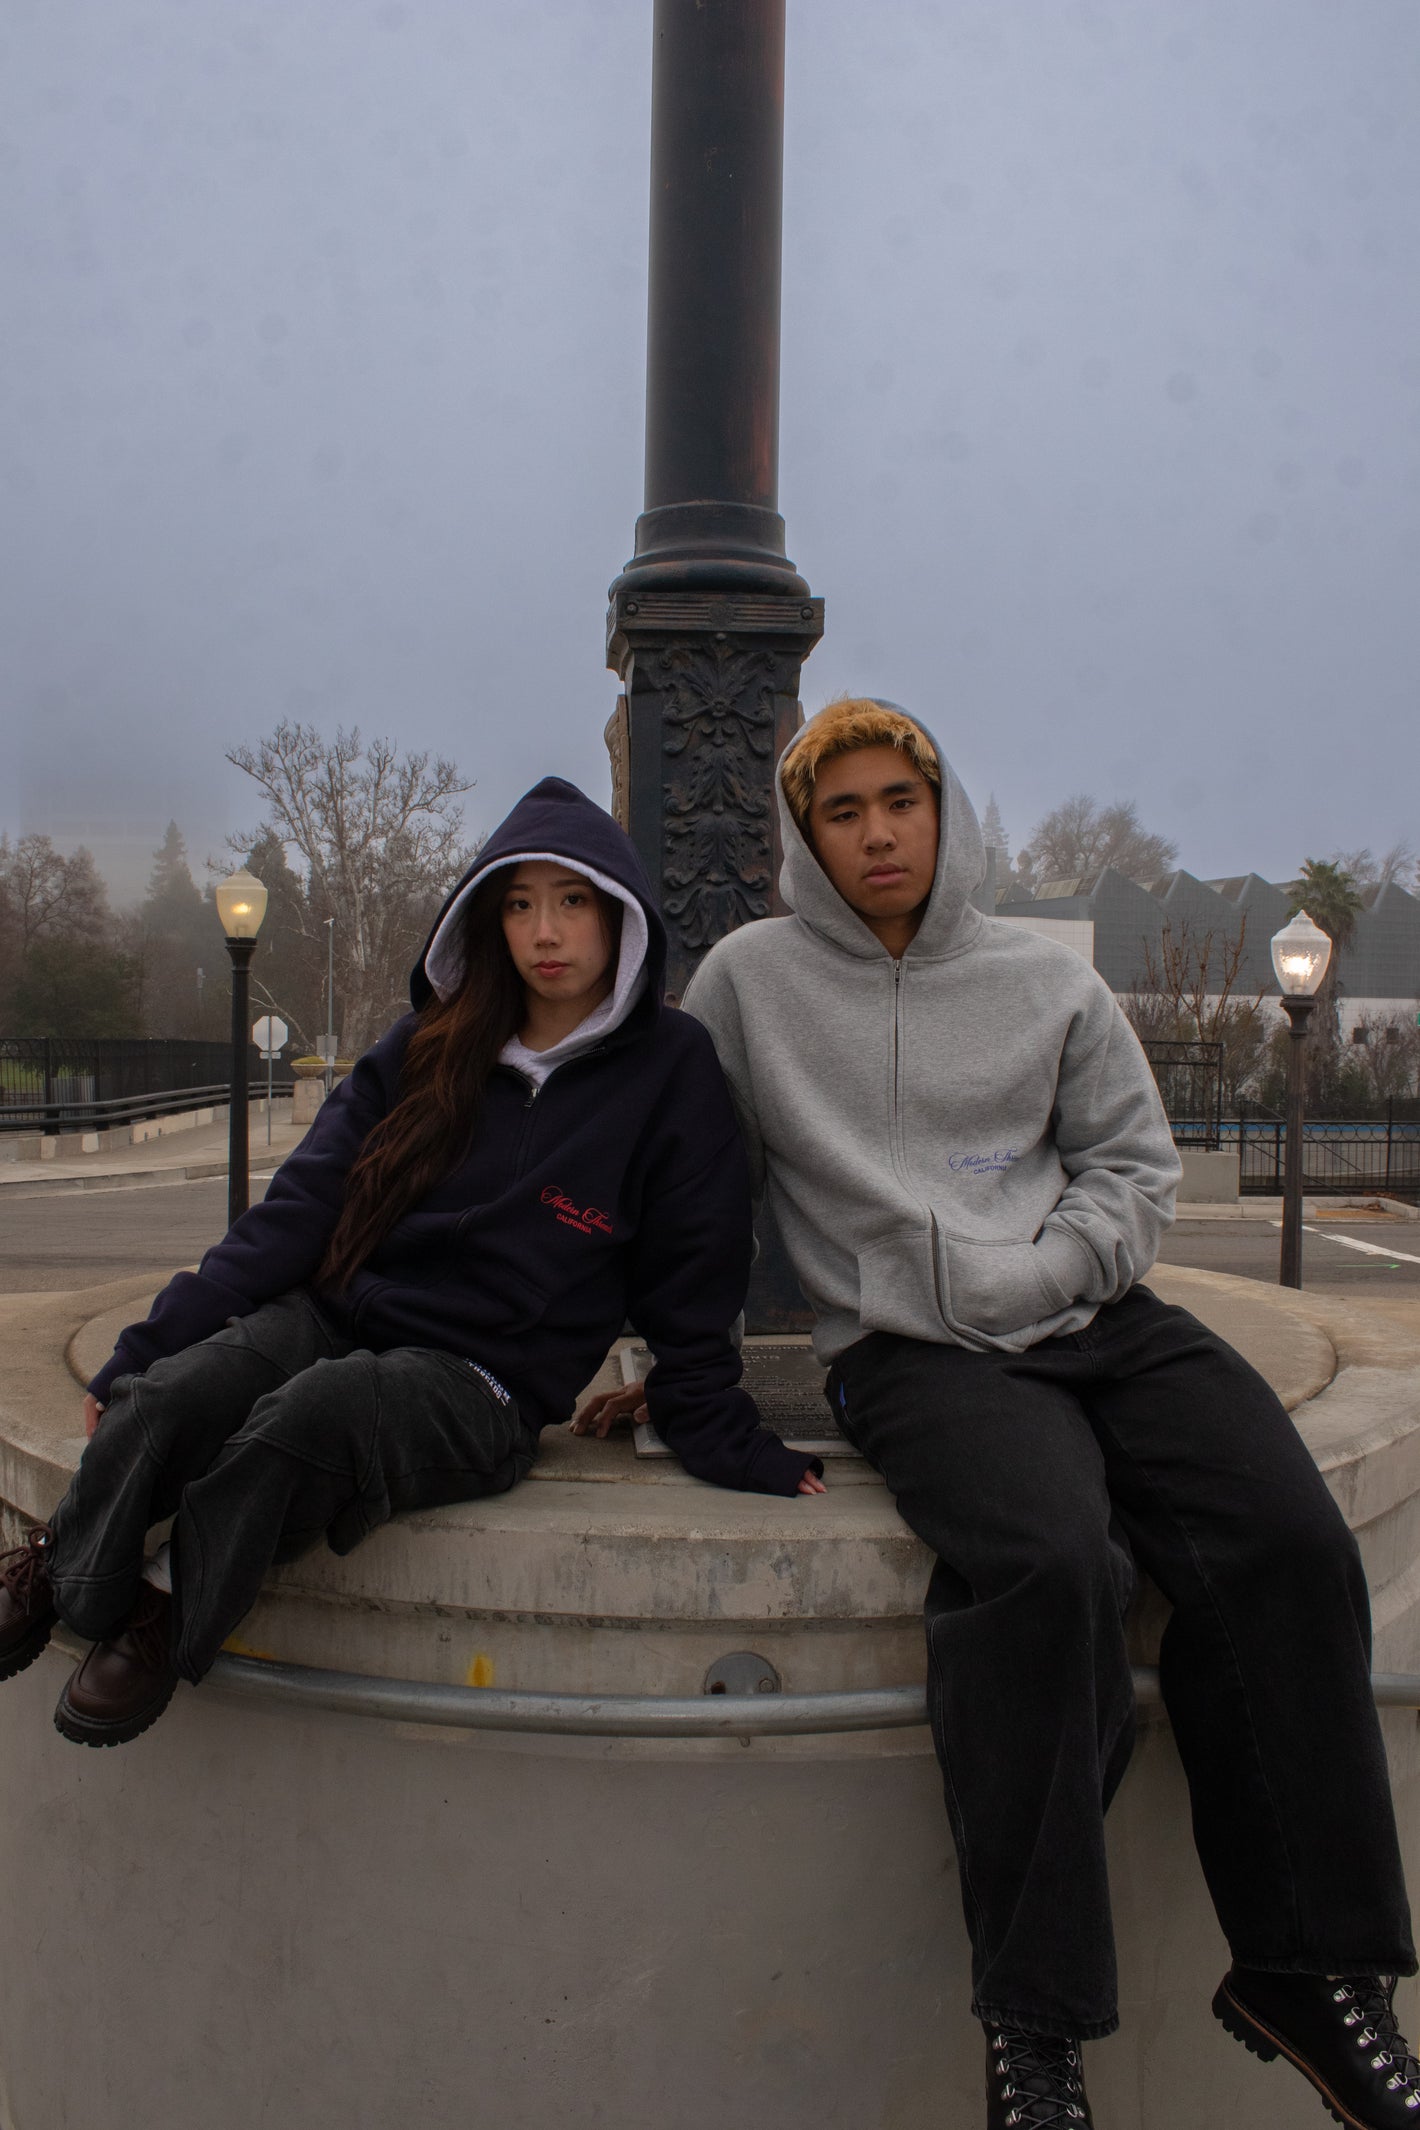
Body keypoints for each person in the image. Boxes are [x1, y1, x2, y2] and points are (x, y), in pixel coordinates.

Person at [588, 697, 1418, 2129]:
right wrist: (631, 1347)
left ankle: (1311, 1968)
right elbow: (680, 1180)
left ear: (942, 807)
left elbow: (1133, 1168)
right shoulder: (750, 982)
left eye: (895, 802)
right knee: (1045, 1563)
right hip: (907, 1349)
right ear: (806, 837)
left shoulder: (1044, 984)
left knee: (1284, 1538)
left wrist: (1050, 1268)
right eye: (839, 812)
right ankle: (1036, 2033)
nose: (875, 833)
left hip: (1097, 1318)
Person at [0, 776, 825, 1749]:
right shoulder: (427, 1047)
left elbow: (696, 1265)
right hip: (342, 1312)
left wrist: (712, 1423)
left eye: (571, 902)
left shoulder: (671, 1069)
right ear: (489, 918)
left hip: (481, 1379)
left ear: (619, 916)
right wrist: (162, 1332)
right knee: (179, 1392)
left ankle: (168, 1609)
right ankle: (66, 1574)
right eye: (519, 905)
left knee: (305, 1422)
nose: (546, 931)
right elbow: (301, 1207)